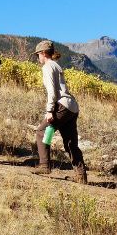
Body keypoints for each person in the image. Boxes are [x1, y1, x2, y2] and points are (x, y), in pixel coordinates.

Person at [31, 40, 87, 184]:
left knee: (41, 131)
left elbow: (52, 92)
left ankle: (44, 165)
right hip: (72, 107)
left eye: (38, 55)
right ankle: (81, 176)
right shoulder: (56, 65)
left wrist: (49, 110)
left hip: (61, 105)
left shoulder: (48, 66)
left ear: (43, 53)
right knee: (70, 143)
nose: (38, 58)